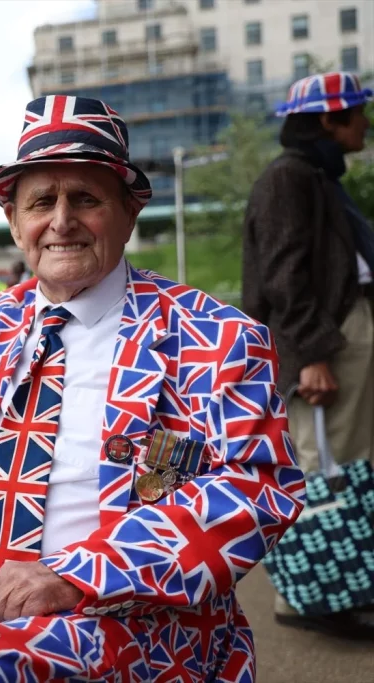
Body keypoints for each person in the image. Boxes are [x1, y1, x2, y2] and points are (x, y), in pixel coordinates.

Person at [0, 95, 304, 680]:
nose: (61, 221)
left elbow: (257, 489)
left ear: (129, 213)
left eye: (85, 199)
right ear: (15, 222)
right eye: (41, 201)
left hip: (122, 616)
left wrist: (76, 575)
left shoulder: (215, 334)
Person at [242, 72, 374, 638]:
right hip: (328, 345)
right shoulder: (289, 178)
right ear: (328, 119)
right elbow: (282, 275)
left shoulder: (317, 176)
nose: (365, 121)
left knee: (349, 467)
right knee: (327, 471)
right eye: (356, 112)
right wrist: (310, 355)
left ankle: (333, 587)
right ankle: (312, 597)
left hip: (340, 336)